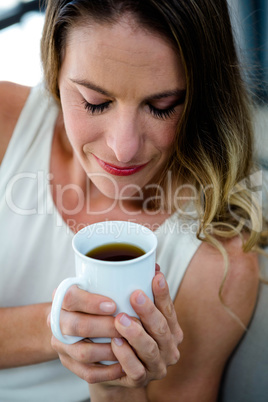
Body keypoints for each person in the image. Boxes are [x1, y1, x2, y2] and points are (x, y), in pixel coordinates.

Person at [0, 0, 265, 401]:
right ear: (55, 65)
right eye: (95, 101)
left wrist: (111, 381)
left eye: (162, 107)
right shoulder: (6, 124)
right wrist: (59, 326)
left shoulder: (217, 265)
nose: (123, 149)